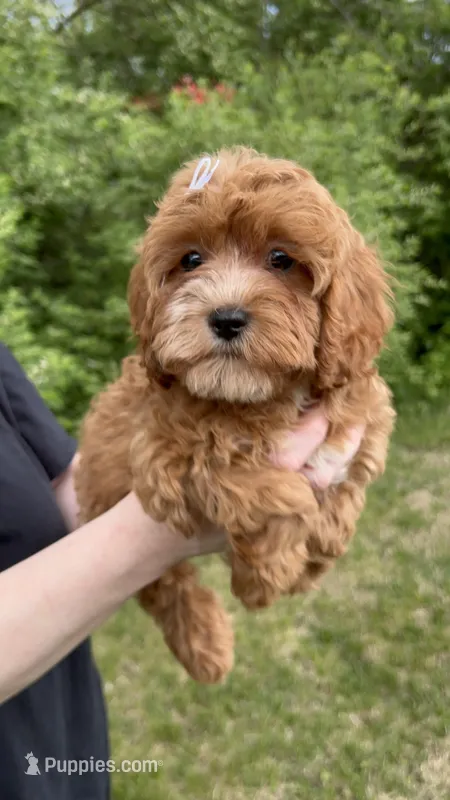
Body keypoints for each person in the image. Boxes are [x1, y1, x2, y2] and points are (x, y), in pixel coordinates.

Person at [0, 341, 358, 799]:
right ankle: (174, 599)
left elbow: (76, 491)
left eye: (281, 263)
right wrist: (161, 533)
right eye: (191, 263)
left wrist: (325, 493)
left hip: (60, 722)